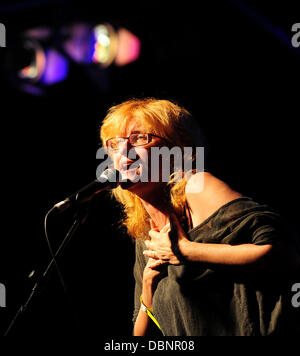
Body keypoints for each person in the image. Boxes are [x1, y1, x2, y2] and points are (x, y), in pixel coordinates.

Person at [100, 98, 300, 336]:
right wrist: (147, 290)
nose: (124, 152)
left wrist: (186, 251)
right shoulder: (145, 230)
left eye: (139, 138)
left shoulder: (197, 187)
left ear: (175, 150)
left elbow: (285, 254)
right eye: (114, 144)